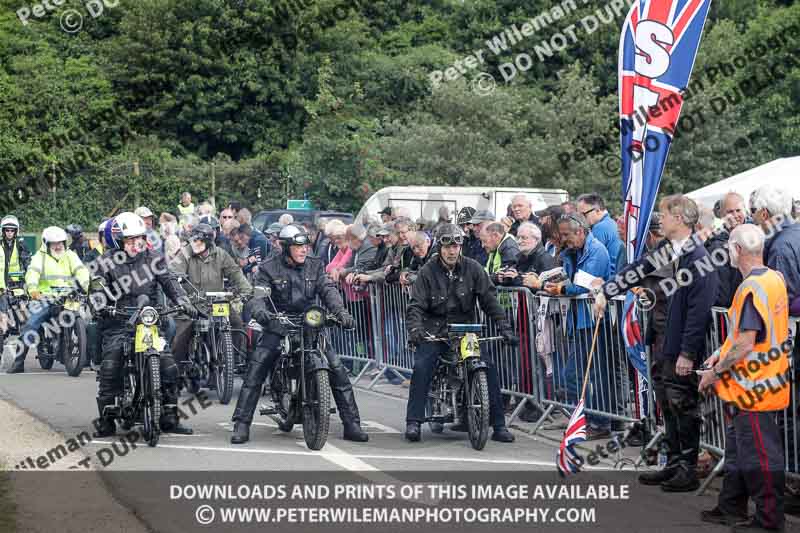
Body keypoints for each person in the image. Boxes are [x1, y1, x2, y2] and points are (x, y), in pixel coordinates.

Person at [595, 195, 719, 491]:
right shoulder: (667, 250)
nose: (659, 220)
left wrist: (688, 353)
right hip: (663, 339)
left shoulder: (698, 256)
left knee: (683, 406)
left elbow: (698, 313)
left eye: (663, 214)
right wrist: (607, 291)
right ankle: (673, 462)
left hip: (681, 346)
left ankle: (687, 468)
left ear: (678, 217)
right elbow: (637, 269)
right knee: (666, 402)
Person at [230, 225, 368, 444]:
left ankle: (352, 424)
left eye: (305, 245)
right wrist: (264, 314)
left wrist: (341, 312)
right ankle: (241, 424)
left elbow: (328, 290)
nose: (303, 250)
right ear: (286, 248)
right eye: (298, 246)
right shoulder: (268, 268)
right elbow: (257, 296)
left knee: (336, 368)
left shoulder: (315, 265)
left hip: (309, 323)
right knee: (257, 368)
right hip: (278, 323)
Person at [698, 224, 790, 532]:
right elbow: (745, 335)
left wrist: (714, 370)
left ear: (737, 250)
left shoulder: (751, 287)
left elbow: (746, 342)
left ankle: (769, 520)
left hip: (754, 387)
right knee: (741, 451)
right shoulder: (773, 279)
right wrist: (720, 353)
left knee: (760, 458)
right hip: (760, 383)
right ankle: (732, 506)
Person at [404, 224, 518, 443]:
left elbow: (490, 301)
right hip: (435, 331)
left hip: (466, 331)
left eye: (456, 245)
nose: (452, 251)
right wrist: (416, 330)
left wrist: (504, 327)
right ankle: (414, 421)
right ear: (439, 247)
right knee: (422, 366)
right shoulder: (427, 271)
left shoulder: (474, 268)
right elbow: (416, 306)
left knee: (488, 366)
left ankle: (499, 425)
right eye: (447, 246)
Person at [92, 212, 197, 437]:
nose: (136, 243)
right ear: (118, 241)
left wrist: (182, 299)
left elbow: (169, 281)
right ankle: (107, 417)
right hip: (119, 320)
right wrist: (100, 303)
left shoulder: (153, 258)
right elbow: (97, 287)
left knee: (169, 366)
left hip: (148, 321)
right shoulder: (104, 262)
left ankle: (169, 415)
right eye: (130, 240)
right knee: (111, 365)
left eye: (139, 238)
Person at [544, 214, 612, 439]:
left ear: (580, 232)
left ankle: (598, 421)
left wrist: (561, 290)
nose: (563, 239)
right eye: (561, 235)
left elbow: (581, 286)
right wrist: (566, 255)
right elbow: (569, 277)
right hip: (578, 321)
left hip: (594, 319)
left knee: (585, 374)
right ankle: (590, 418)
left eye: (566, 235)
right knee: (577, 375)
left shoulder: (597, 250)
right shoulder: (573, 251)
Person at [8, 226, 90, 373]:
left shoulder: (70, 255)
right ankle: (18, 362)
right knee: (30, 325)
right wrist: (33, 290)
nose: (58, 246)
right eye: (54, 243)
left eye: (60, 242)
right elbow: (32, 273)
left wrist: (84, 285)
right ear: (47, 243)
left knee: (84, 321)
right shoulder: (40, 257)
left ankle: (83, 355)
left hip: (67, 297)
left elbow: (81, 270)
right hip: (45, 298)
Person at [170, 224, 252, 368]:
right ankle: (178, 371)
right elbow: (172, 274)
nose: (195, 244)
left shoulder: (220, 254)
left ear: (208, 243)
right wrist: (183, 298)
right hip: (191, 303)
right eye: (193, 240)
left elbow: (235, 273)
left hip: (217, 302)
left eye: (199, 241)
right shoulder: (184, 254)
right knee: (181, 335)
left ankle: (232, 361)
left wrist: (247, 291)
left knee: (237, 324)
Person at [750, 185, 800, 315]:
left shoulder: (780, 247)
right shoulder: (795, 231)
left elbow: (780, 300)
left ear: (764, 214)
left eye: (754, 210)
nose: (752, 216)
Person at [702, 193, 746, 307]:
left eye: (738, 210)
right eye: (730, 212)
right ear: (722, 215)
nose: (735, 215)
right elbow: (722, 296)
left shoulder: (756, 235)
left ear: (744, 210)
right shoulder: (717, 247)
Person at [576, 193, 623, 276]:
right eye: (578, 215)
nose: (580, 219)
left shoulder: (600, 228)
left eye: (583, 214)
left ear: (597, 210)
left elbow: (589, 262)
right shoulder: (610, 223)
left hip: (607, 280)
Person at [501, 222, 555, 289]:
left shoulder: (545, 259)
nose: (519, 241)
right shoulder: (520, 258)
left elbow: (548, 287)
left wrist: (517, 279)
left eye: (524, 238)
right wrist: (501, 277)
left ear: (536, 239)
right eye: (518, 238)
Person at [0, 215, 30, 287]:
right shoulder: (0, 244)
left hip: (16, 283)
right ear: (3, 231)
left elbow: (27, 263)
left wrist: (28, 279)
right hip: (1, 282)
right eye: (7, 230)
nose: (9, 232)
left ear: (16, 231)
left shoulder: (20, 245)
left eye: (12, 230)